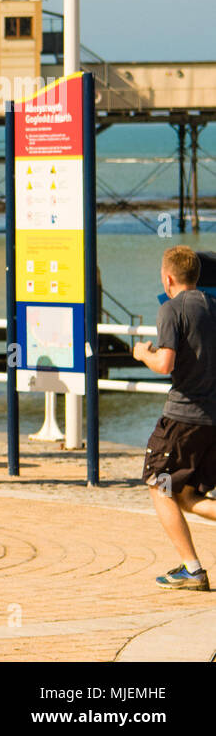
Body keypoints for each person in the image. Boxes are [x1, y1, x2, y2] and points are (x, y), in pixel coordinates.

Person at [133, 245, 216, 591]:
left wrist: (143, 354)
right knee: (185, 495)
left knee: (158, 484)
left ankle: (192, 569)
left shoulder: (171, 309)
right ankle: (191, 568)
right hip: (212, 419)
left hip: (183, 418)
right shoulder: (213, 306)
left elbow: (165, 364)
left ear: (168, 278)